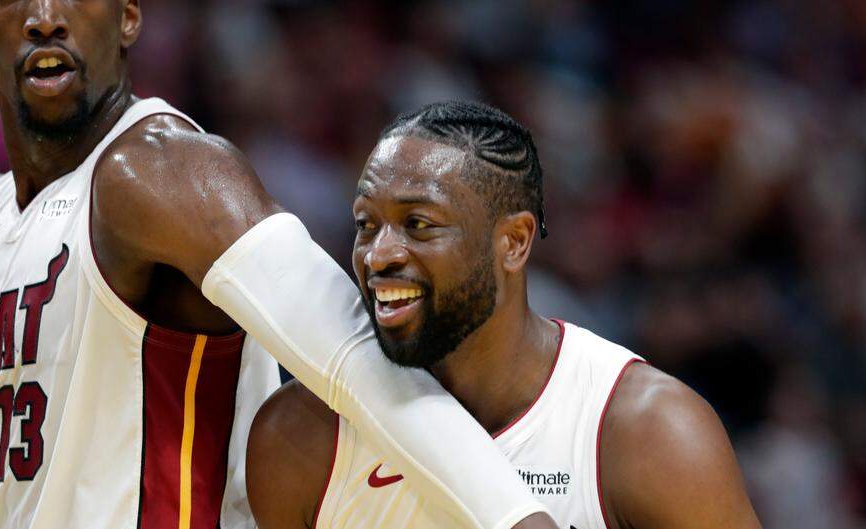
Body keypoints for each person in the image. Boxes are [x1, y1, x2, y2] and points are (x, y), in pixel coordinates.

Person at [0, 0, 558, 528]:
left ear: (128, 18)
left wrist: (515, 515)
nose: (45, 17)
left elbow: (351, 354)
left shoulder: (160, 171)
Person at [246, 102, 764, 529]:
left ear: (514, 242)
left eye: (418, 224)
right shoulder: (300, 436)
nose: (378, 255)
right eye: (366, 223)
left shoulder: (646, 431)